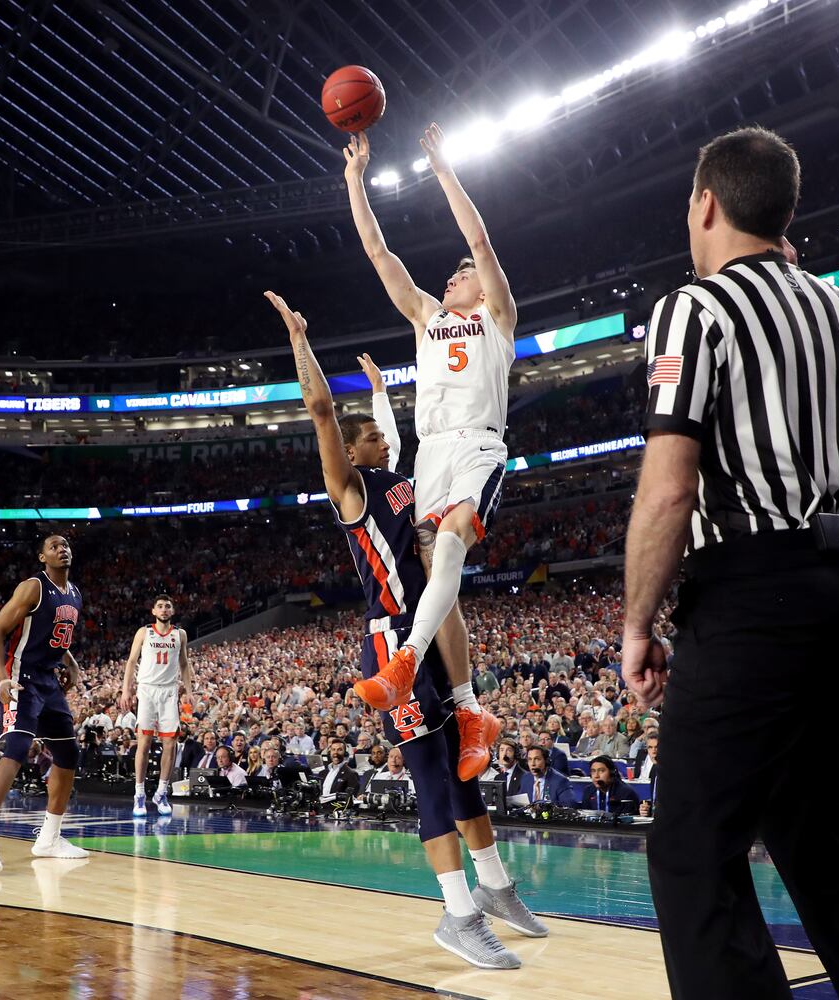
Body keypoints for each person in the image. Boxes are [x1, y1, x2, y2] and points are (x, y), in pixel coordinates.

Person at [619, 127, 839, 999]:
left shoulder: (695, 307)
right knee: (812, 830)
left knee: (691, 845)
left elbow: (668, 491)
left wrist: (637, 623)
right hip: (837, 586)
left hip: (750, 587)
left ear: (708, 203)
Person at [267, 289, 538, 970]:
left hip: (432, 633)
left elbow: (417, 445)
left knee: (465, 774)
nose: (382, 441)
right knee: (433, 781)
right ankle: (457, 913)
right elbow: (323, 412)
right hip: (392, 639)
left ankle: (497, 888)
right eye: (372, 438)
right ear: (354, 452)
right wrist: (302, 342)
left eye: (381, 435)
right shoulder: (352, 491)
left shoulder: (405, 482)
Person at [342, 126, 509, 784]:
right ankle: (471, 710)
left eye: (462, 275)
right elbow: (379, 252)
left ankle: (407, 658)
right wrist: (355, 180)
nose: (455, 274)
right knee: (438, 576)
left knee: (454, 544)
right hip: (431, 456)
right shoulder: (426, 316)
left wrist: (441, 167)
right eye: (455, 275)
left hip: (476, 444)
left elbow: (479, 242)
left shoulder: (496, 316)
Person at [0, 534, 89, 871]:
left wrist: (70, 662)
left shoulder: (74, 594)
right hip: (21, 677)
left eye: (66, 545)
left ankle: (49, 837)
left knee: (68, 752)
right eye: (54, 546)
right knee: (16, 747)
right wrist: (2, 678)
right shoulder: (33, 587)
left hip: (48, 679)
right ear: (42, 556)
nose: (62, 549)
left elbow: (51, 635)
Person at [119, 594, 192, 818]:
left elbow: (184, 663)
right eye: (159, 606)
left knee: (170, 741)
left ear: (172, 611)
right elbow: (132, 661)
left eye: (167, 606)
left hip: (169, 690)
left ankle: (161, 792)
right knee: (144, 741)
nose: (163, 609)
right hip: (147, 689)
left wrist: (189, 690)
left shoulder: (180, 634)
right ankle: (139, 793)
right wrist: (126, 689)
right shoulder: (144, 632)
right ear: (153, 611)